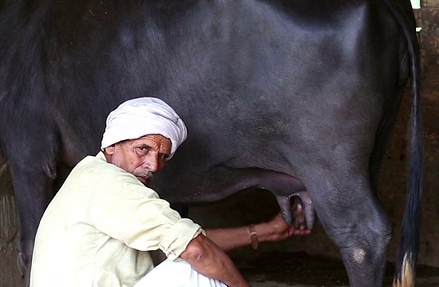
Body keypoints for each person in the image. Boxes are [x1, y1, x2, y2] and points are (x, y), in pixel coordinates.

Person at [30, 97, 309, 287]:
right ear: (112, 146)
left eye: (163, 156)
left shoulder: (92, 175)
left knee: (190, 256)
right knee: (191, 271)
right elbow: (196, 251)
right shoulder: (111, 183)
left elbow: (185, 241)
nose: (153, 165)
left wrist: (263, 231)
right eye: (143, 149)